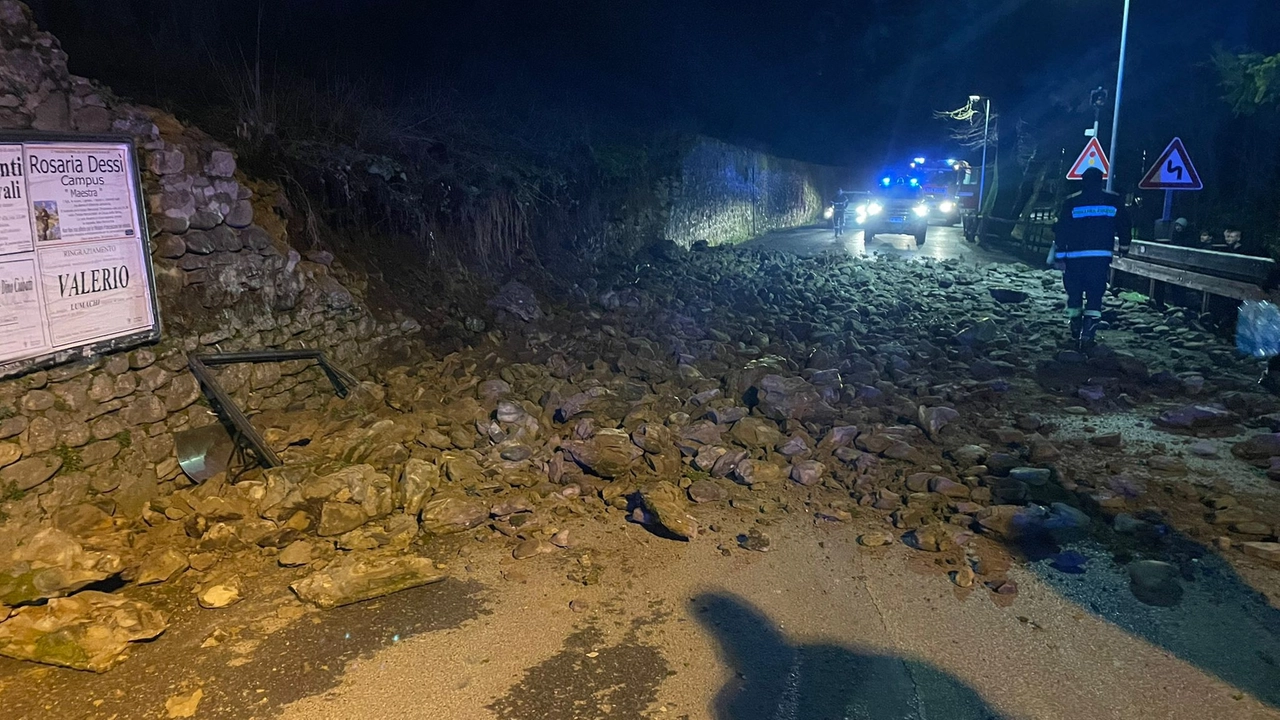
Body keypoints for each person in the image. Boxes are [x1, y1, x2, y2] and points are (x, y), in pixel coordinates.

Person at [1051, 167, 1133, 345]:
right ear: (1101, 180)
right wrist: (1124, 247)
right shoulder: (1113, 200)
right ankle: (1089, 331)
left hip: (1074, 258)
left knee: (1074, 293)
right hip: (1099, 258)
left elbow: (1061, 230)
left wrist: (1059, 256)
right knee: (1095, 294)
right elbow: (1124, 224)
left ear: (1082, 180)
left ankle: (1075, 324)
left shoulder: (1071, 202)